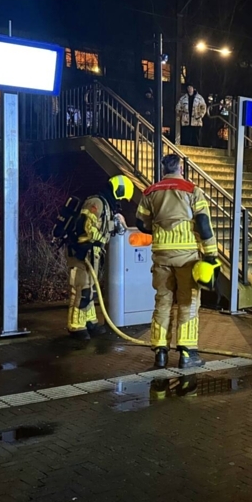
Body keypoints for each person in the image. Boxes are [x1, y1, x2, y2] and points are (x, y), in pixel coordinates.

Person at [136, 154, 218, 369]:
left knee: (162, 301)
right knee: (188, 302)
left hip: (161, 255)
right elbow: (203, 223)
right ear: (180, 168)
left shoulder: (150, 192)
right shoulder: (192, 191)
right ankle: (187, 355)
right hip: (187, 256)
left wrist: (158, 230)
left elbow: (141, 222)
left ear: (163, 168)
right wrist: (211, 255)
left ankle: (160, 353)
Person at [66, 175, 133, 340]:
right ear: (119, 190)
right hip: (82, 252)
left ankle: (89, 321)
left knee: (90, 290)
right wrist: (112, 225)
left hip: (92, 253)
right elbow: (86, 226)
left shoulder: (107, 205)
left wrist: (116, 222)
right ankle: (76, 325)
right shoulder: (96, 203)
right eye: (122, 197)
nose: (122, 201)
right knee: (82, 289)